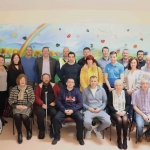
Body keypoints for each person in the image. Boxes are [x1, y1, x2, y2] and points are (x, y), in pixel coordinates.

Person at [52, 78, 84, 145]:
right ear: (66, 83)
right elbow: (58, 101)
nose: (70, 83)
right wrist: (64, 109)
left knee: (80, 119)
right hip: (64, 109)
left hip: (74, 110)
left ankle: (80, 138)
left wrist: (73, 110)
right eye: (69, 82)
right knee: (56, 118)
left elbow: (80, 103)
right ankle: (56, 137)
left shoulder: (77, 91)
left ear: (74, 84)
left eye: (72, 82)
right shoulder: (62, 91)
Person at [8, 74, 35, 144]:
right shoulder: (14, 89)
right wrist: (16, 106)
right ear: (18, 81)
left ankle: (28, 130)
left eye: (24, 80)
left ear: (26, 81)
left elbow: (32, 98)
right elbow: (10, 99)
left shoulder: (29, 88)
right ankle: (19, 133)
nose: (22, 81)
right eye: (21, 80)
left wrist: (27, 106)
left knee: (24, 116)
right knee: (17, 115)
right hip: (17, 106)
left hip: (27, 106)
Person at [35, 73, 60, 139]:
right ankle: (41, 129)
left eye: (47, 78)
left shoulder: (55, 86)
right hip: (42, 105)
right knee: (40, 113)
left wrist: (55, 102)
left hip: (52, 105)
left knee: (54, 112)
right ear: (42, 79)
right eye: (44, 78)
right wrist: (41, 104)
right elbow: (36, 97)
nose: (46, 79)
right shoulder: (39, 86)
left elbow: (60, 95)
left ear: (50, 78)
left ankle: (52, 127)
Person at [107, 80, 130, 149]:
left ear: (122, 86)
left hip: (124, 111)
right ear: (114, 86)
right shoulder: (111, 93)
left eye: (120, 85)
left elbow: (128, 105)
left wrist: (124, 111)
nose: (118, 87)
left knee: (125, 119)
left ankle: (125, 139)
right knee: (119, 120)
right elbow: (109, 105)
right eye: (116, 85)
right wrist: (116, 111)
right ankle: (119, 139)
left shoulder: (125, 93)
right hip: (114, 112)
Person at [124, 57, 142, 131]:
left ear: (137, 63)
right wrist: (127, 89)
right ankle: (127, 121)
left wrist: (132, 90)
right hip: (127, 92)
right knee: (127, 106)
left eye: (134, 62)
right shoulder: (126, 71)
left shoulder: (139, 72)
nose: (133, 64)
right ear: (129, 63)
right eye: (131, 62)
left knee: (133, 107)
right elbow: (124, 81)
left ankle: (133, 122)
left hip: (135, 93)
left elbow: (139, 83)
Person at [0, 55, 8, 126]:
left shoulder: (5, 68)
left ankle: (1, 117)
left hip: (4, 89)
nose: (1, 61)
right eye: (0, 60)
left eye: (2, 60)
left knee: (2, 104)